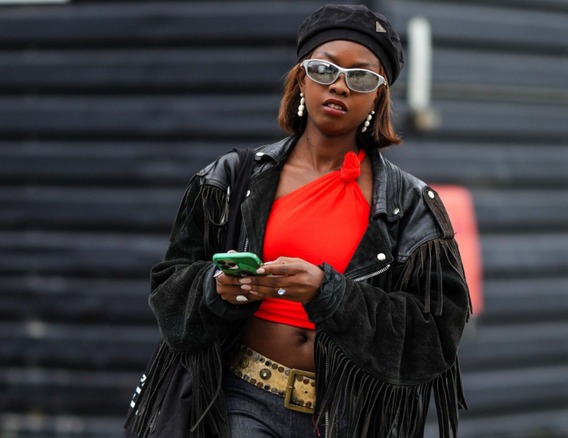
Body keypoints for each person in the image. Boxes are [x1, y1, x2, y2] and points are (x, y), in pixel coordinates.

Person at [126, 4, 471, 438]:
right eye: (324, 69)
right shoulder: (233, 179)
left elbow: (436, 337)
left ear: (378, 95)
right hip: (243, 398)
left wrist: (329, 294)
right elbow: (168, 292)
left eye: (361, 76)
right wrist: (215, 287)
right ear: (301, 78)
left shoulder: (412, 205)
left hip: (351, 417)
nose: (340, 86)